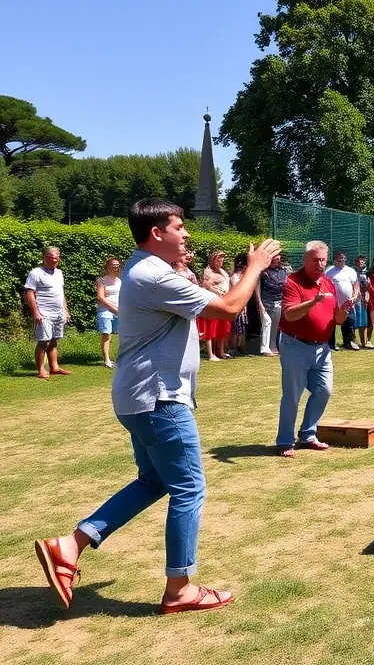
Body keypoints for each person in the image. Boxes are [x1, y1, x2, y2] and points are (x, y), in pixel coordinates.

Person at [34, 198, 280, 614]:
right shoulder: (151, 274)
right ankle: (179, 589)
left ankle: (69, 545)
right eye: (179, 227)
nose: (186, 234)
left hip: (138, 397)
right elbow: (230, 306)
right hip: (158, 398)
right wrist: (254, 265)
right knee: (188, 487)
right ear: (157, 233)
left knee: (154, 481)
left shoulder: (147, 270)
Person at [275, 240, 350, 457]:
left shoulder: (328, 282)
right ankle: (284, 441)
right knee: (292, 395)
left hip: (322, 348)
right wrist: (313, 302)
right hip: (295, 345)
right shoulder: (293, 281)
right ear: (306, 260)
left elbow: (335, 319)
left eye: (323, 260)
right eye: (315, 260)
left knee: (323, 390)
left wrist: (344, 311)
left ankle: (307, 434)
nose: (320, 264)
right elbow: (290, 314)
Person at [24, 246, 71, 380]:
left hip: (58, 313)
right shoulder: (36, 273)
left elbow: (61, 293)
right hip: (44, 313)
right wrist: (36, 313)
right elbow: (29, 293)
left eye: (56, 258)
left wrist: (65, 310)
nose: (54, 260)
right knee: (43, 341)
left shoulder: (59, 273)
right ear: (44, 257)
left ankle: (54, 367)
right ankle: (41, 370)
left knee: (54, 340)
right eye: (51, 258)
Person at [198, 251, 231, 361]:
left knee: (222, 328)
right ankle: (211, 354)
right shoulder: (208, 272)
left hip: (224, 303)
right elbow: (206, 286)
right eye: (219, 259)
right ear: (213, 260)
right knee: (211, 328)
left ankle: (220, 351)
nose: (221, 261)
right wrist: (216, 291)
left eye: (222, 259)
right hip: (213, 303)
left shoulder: (223, 272)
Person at [325, 250, 360, 351]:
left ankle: (348, 343)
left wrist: (354, 296)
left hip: (348, 303)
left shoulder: (350, 271)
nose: (341, 259)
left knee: (349, 323)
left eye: (343, 257)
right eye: (339, 257)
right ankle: (331, 345)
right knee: (331, 324)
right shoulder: (329, 271)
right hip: (333, 303)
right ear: (335, 258)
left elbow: (356, 285)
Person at [256, 253, 287, 356]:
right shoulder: (263, 271)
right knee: (267, 322)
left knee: (275, 325)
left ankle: (273, 346)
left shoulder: (283, 270)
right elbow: (257, 287)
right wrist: (259, 303)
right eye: (274, 258)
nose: (276, 260)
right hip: (266, 301)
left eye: (278, 258)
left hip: (279, 301)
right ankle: (264, 348)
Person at [96, 257, 122, 368]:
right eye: (113, 265)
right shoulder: (101, 280)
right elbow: (101, 298)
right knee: (106, 335)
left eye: (117, 265)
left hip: (119, 311)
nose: (115, 267)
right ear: (108, 266)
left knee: (120, 335)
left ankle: (119, 358)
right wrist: (114, 309)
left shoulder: (119, 280)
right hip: (105, 311)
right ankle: (106, 360)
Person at [227, 253, 249, 356]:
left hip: (242, 305)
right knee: (235, 327)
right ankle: (232, 348)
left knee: (240, 327)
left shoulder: (241, 276)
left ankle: (238, 347)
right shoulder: (235, 277)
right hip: (236, 305)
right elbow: (237, 291)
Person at [353, 256, 371, 348]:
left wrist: (367, 295)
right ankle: (353, 341)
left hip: (364, 299)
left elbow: (368, 287)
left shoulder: (368, 273)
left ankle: (364, 342)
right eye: (358, 262)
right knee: (354, 320)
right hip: (355, 298)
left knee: (363, 322)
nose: (360, 264)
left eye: (362, 262)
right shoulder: (352, 273)